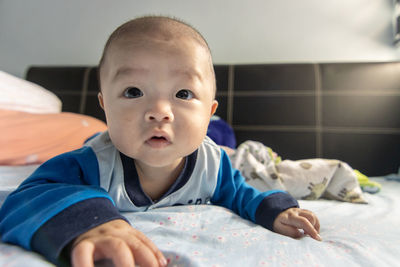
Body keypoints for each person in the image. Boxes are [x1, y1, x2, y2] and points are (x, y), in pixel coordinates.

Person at [0, 16, 321, 267]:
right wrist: (89, 222)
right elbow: (24, 199)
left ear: (209, 114)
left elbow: (241, 194)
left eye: (183, 93)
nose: (158, 112)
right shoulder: (89, 164)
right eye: (133, 92)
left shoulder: (214, 164)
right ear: (104, 106)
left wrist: (275, 210)